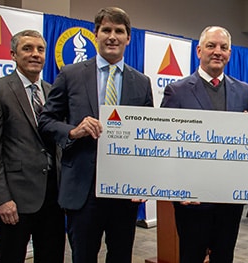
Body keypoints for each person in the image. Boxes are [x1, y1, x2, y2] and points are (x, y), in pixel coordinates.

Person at [38, 7, 153, 263]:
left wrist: (144, 180)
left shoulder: (141, 82)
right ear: (96, 34)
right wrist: (73, 131)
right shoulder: (71, 74)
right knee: (83, 256)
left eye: (119, 31)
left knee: (121, 256)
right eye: (107, 30)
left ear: (128, 38)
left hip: (123, 191)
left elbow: (146, 137)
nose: (112, 36)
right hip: (83, 188)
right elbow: (46, 121)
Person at [161, 25, 248, 263]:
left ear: (230, 54)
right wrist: (177, 188)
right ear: (199, 50)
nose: (217, 51)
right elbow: (165, 143)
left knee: (224, 256)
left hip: (230, 197)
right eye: (211, 46)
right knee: (191, 256)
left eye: (223, 47)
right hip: (192, 197)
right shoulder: (177, 90)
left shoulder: (243, 91)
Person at [0, 30, 65, 263]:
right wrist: (1, 198)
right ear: (13, 54)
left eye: (40, 49)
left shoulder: (52, 91)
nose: (35, 54)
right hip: (17, 199)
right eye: (27, 49)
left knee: (52, 256)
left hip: (54, 197)